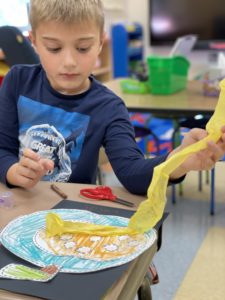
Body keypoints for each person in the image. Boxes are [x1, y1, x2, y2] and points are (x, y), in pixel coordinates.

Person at [0, 0, 225, 194]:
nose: (69, 61)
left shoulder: (109, 107)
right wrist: (12, 171)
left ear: (100, 43)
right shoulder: (17, 81)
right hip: (16, 211)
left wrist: (178, 160)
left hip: (70, 222)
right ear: (35, 42)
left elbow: (131, 174)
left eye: (83, 48)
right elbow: (2, 148)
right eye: (54, 48)